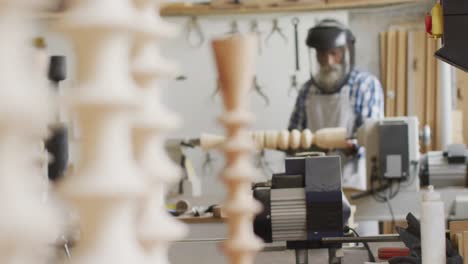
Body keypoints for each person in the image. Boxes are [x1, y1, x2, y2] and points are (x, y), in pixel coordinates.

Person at [288, 18, 384, 191]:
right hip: (314, 186)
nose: (328, 61)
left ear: (346, 52)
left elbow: (373, 140)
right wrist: (299, 147)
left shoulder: (365, 85)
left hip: (354, 185)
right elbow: (292, 136)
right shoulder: (307, 91)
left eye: (334, 53)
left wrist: (350, 146)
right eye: (322, 54)